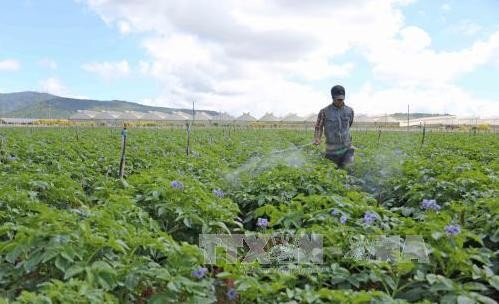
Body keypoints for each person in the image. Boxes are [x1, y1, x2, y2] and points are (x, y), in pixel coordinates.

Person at [313, 85, 355, 168]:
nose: (340, 101)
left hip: (347, 148)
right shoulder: (324, 111)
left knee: (348, 169)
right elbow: (319, 127)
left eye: (342, 99)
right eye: (338, 99)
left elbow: (349, 125)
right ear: (333, 98)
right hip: (331, 150)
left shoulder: (350, 111)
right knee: (332, 171)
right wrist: (317, 138)